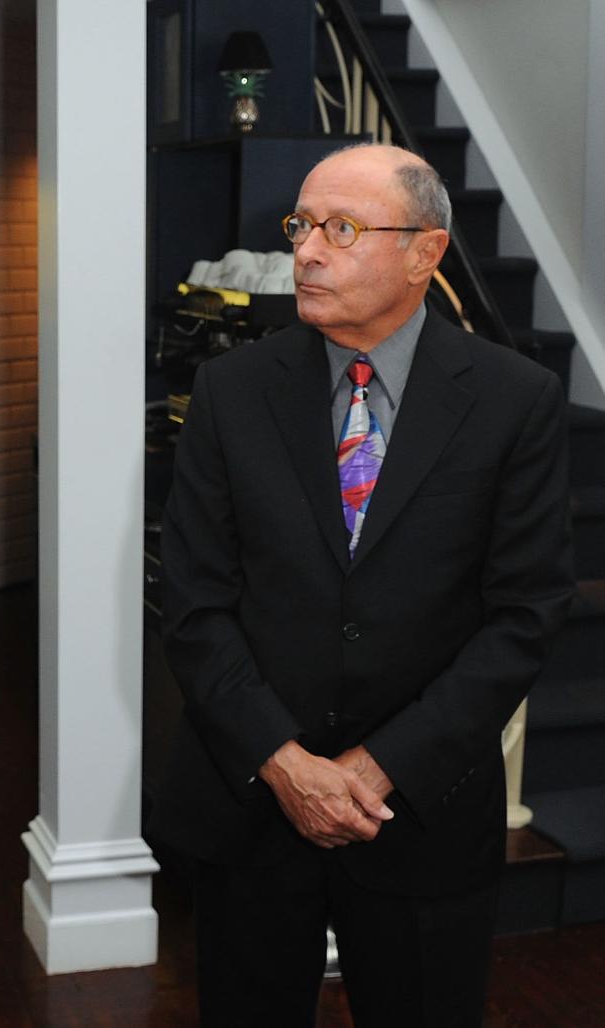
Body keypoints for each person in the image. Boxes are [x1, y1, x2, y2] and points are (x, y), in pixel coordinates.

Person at [149, 143, 572, 1027]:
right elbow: (194, 604)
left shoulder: (514, 401)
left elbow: (523, 619)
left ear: (425, 252)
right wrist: (285, 762)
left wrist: (379, 769)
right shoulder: (231, 391)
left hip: (422, 819)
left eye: (341, 229)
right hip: (253, 810)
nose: (306, 250)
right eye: (301, 226)